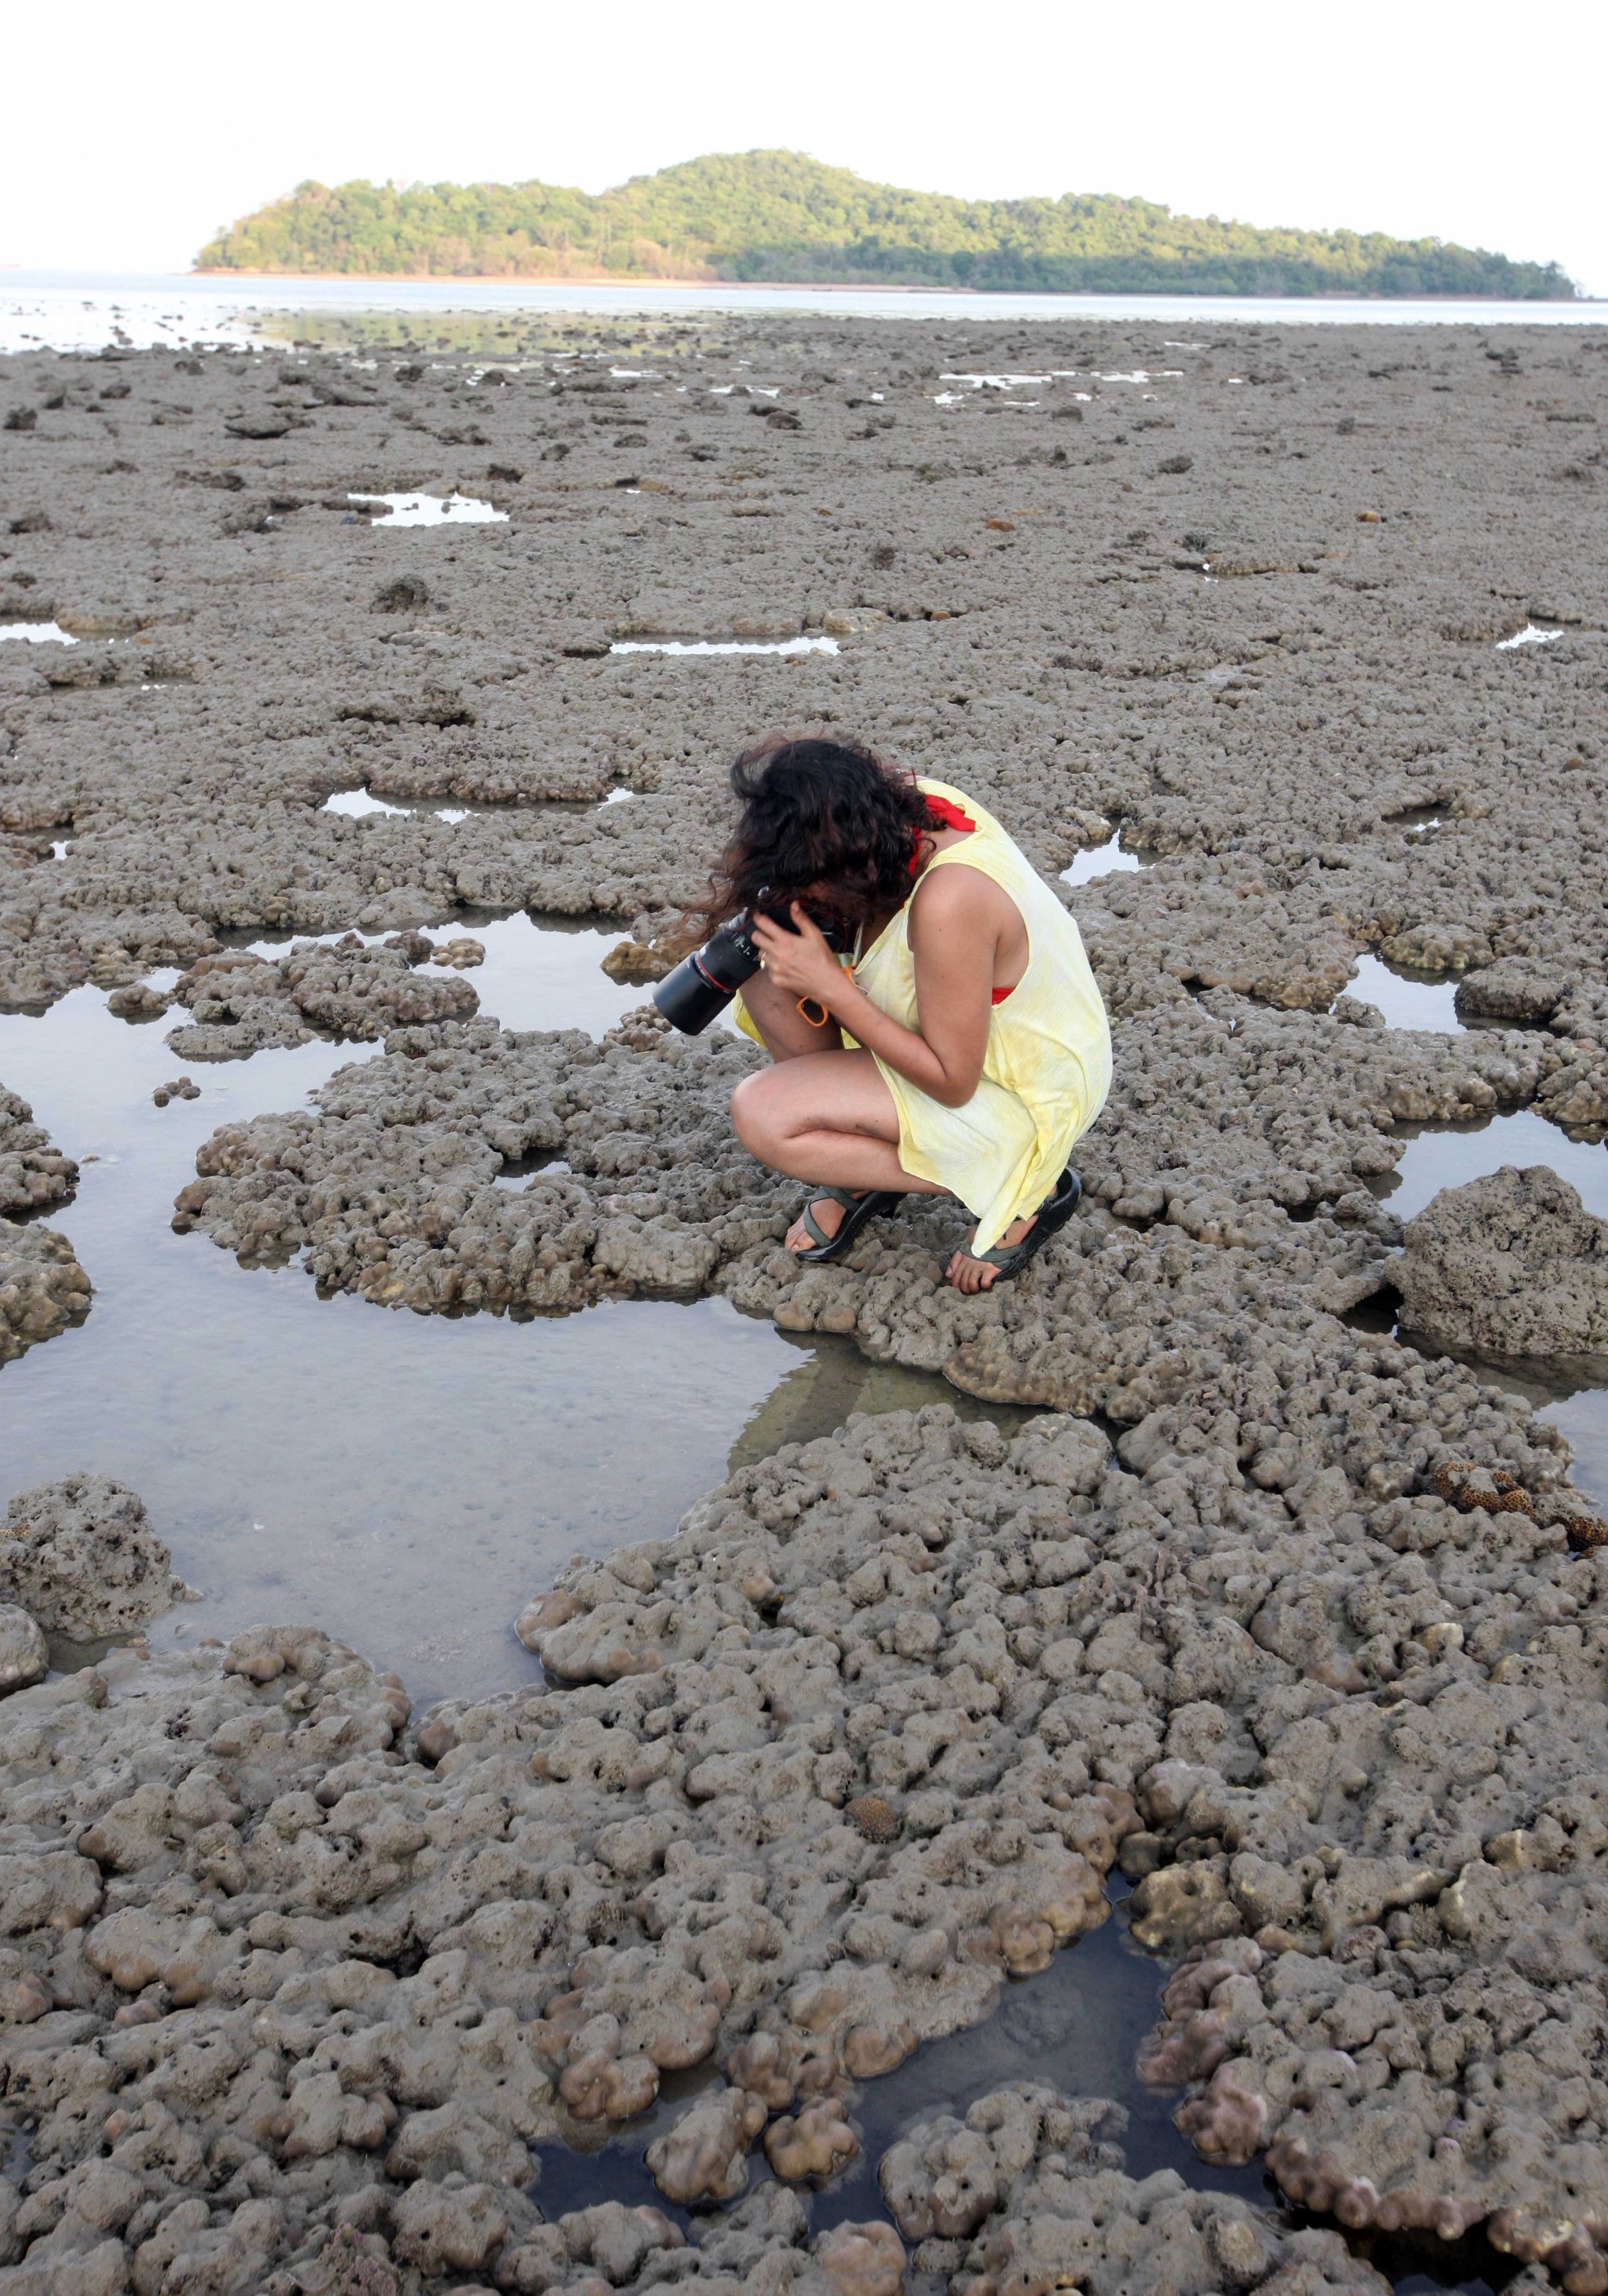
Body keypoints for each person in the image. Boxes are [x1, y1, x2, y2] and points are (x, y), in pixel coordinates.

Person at [715, 736, 1112, 1292]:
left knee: (761, 1112)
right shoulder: (904, 812)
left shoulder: (950, 896)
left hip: (1017, 1086)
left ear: (850, 856)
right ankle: (859, 1174)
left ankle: (1023, 1186)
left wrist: (832, 988)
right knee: (761, 957)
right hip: (949, 1036)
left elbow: (954, 1081)